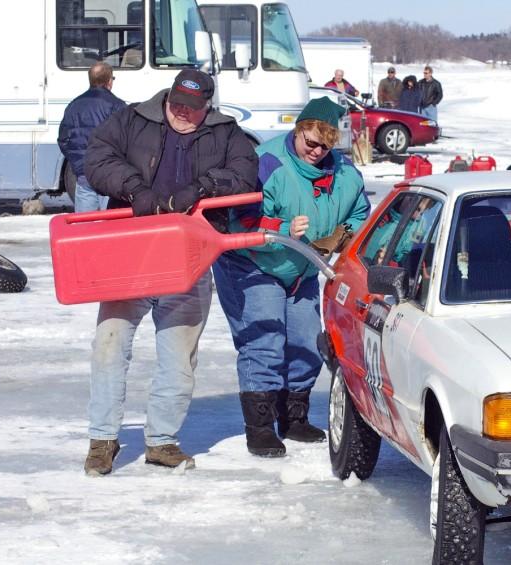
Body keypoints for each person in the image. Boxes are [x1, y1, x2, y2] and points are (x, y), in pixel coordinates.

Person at [80, 70, 259, 476]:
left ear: (207, 107)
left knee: (178, 359)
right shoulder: (132, 119)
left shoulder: (226, 133)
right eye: (177, 103)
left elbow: (246, 174)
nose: (182, 112)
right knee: (109, 347)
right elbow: (97, 159)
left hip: (188, 260)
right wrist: (134, 189)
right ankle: (102, 440)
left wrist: (203, 187)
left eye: (192, 108)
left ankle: (162, 441)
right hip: (129, 255)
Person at [213, 97, 371, 458]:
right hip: (253, 264)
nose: (315, 151)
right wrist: (283, 227)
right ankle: (260, 427)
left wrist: (346, 234)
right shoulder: (267, 163)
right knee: (265, 341)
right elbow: (239, 219)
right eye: (309, 142)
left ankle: (293, 416)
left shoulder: (346, 175)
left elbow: (361, 214)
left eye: (324, 146)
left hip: (300, 267)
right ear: (298, 130)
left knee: (304, 341)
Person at [57, 62, 125, 212]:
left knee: (85, 227)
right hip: (108, 174)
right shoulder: (117, 105)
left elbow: (63, 139)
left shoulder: (74, 105)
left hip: (84, 175)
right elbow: (126, 140)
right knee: (111, 226)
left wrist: (77, 163)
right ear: (109, 81)